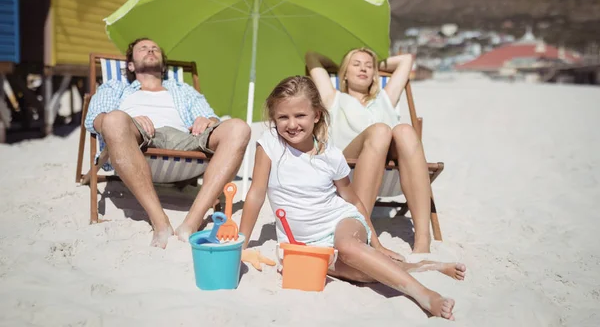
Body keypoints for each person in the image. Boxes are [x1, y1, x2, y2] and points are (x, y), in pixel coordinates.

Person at [239, 76, 465, 320]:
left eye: (300, 116)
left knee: (348, 248)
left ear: (316, 115)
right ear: (274, 118)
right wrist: (242, 242)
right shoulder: (270, 144)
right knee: (361, 273)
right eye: (283, 117)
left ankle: (425, 295)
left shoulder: (331, 155)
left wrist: (377, 244)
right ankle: (424, 267)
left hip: (340, 221)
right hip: (305, 244)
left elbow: (352, 200)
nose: (292, 124)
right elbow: (256, 194)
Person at [84, 38, 250, 249]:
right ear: (131, 65)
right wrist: (127, 117)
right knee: (114, 119)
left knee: (239, 128)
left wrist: (208, 121)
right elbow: (95, 120)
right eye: (143, 49)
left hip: (183, 138)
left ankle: (192, 222)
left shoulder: (183, 89)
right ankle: (159, 221)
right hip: (138, 137)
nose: (150, 50)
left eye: (155, 49)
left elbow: (212, 119)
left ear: (163, 65)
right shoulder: (115, 87)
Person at [305, 48, 435, 253]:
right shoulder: (332, 97)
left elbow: (406, 60)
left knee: (405, 130)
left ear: (375, 75)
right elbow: (312, 56)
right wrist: (340, 64)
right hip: (348, 170)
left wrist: (375, 63)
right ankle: (360, 227)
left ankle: (422, 240)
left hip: (388, 172)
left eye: (368, 66)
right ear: (345, 73)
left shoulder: (385, 98)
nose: (363, 68)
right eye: (356, 64)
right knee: (381, 131)